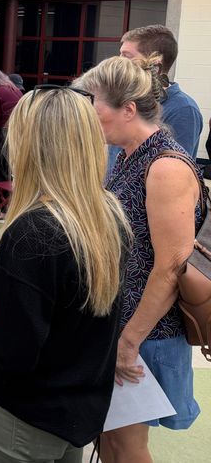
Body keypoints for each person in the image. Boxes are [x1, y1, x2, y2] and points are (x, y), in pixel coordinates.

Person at [0, 86, 129, 463]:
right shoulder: (108, 216)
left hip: (21, 419)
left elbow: (12, 355)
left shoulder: (32, 234)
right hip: (75, 410)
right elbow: (68, 298)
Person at [74, 55, 201, 462]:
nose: (90, 119)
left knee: (128, 446)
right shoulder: (129, 155)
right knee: (110, 437)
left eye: (95, 107)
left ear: (127, 109)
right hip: (122, 322)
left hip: (146, 330)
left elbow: (170, 266)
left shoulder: (165, 167)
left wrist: (129, 343)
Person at [107, 25, 203, 173]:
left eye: (127, 56)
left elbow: (176, 174)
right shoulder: (128, 101)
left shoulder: (183, 110)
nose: (119, 63)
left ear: (155, 65)